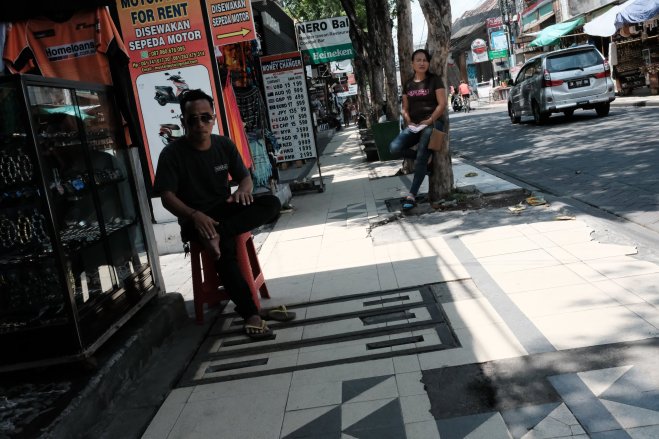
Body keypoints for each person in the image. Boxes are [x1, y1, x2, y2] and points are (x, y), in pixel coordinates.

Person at [153, 89, 289, 339]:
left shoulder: (223, 144)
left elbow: (245, 178)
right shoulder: (172, 154)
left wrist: (243, 192)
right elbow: (167, 197)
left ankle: (219, 233)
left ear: (214, 119)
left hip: (225, 211)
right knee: (224, 253)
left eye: (205, 117)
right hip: (194, 219)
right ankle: (251, 314)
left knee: (271, 203)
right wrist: (195, 215)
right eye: (193, 119)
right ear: (183, 121)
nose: (200, 124)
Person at [388, 49, 447, 211]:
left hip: (433, 124)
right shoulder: (408, 84)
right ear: (412, 64)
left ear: (428, 63)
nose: (422, 63)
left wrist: (429, 120)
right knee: (394, 148)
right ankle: (426, 159)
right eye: (418, 60)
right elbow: (405, 108)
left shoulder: (434, 80)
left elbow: (442, 104)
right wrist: (408, 122)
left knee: (421, 154)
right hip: (414, 126)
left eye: (425, 60)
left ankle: (412, 195)